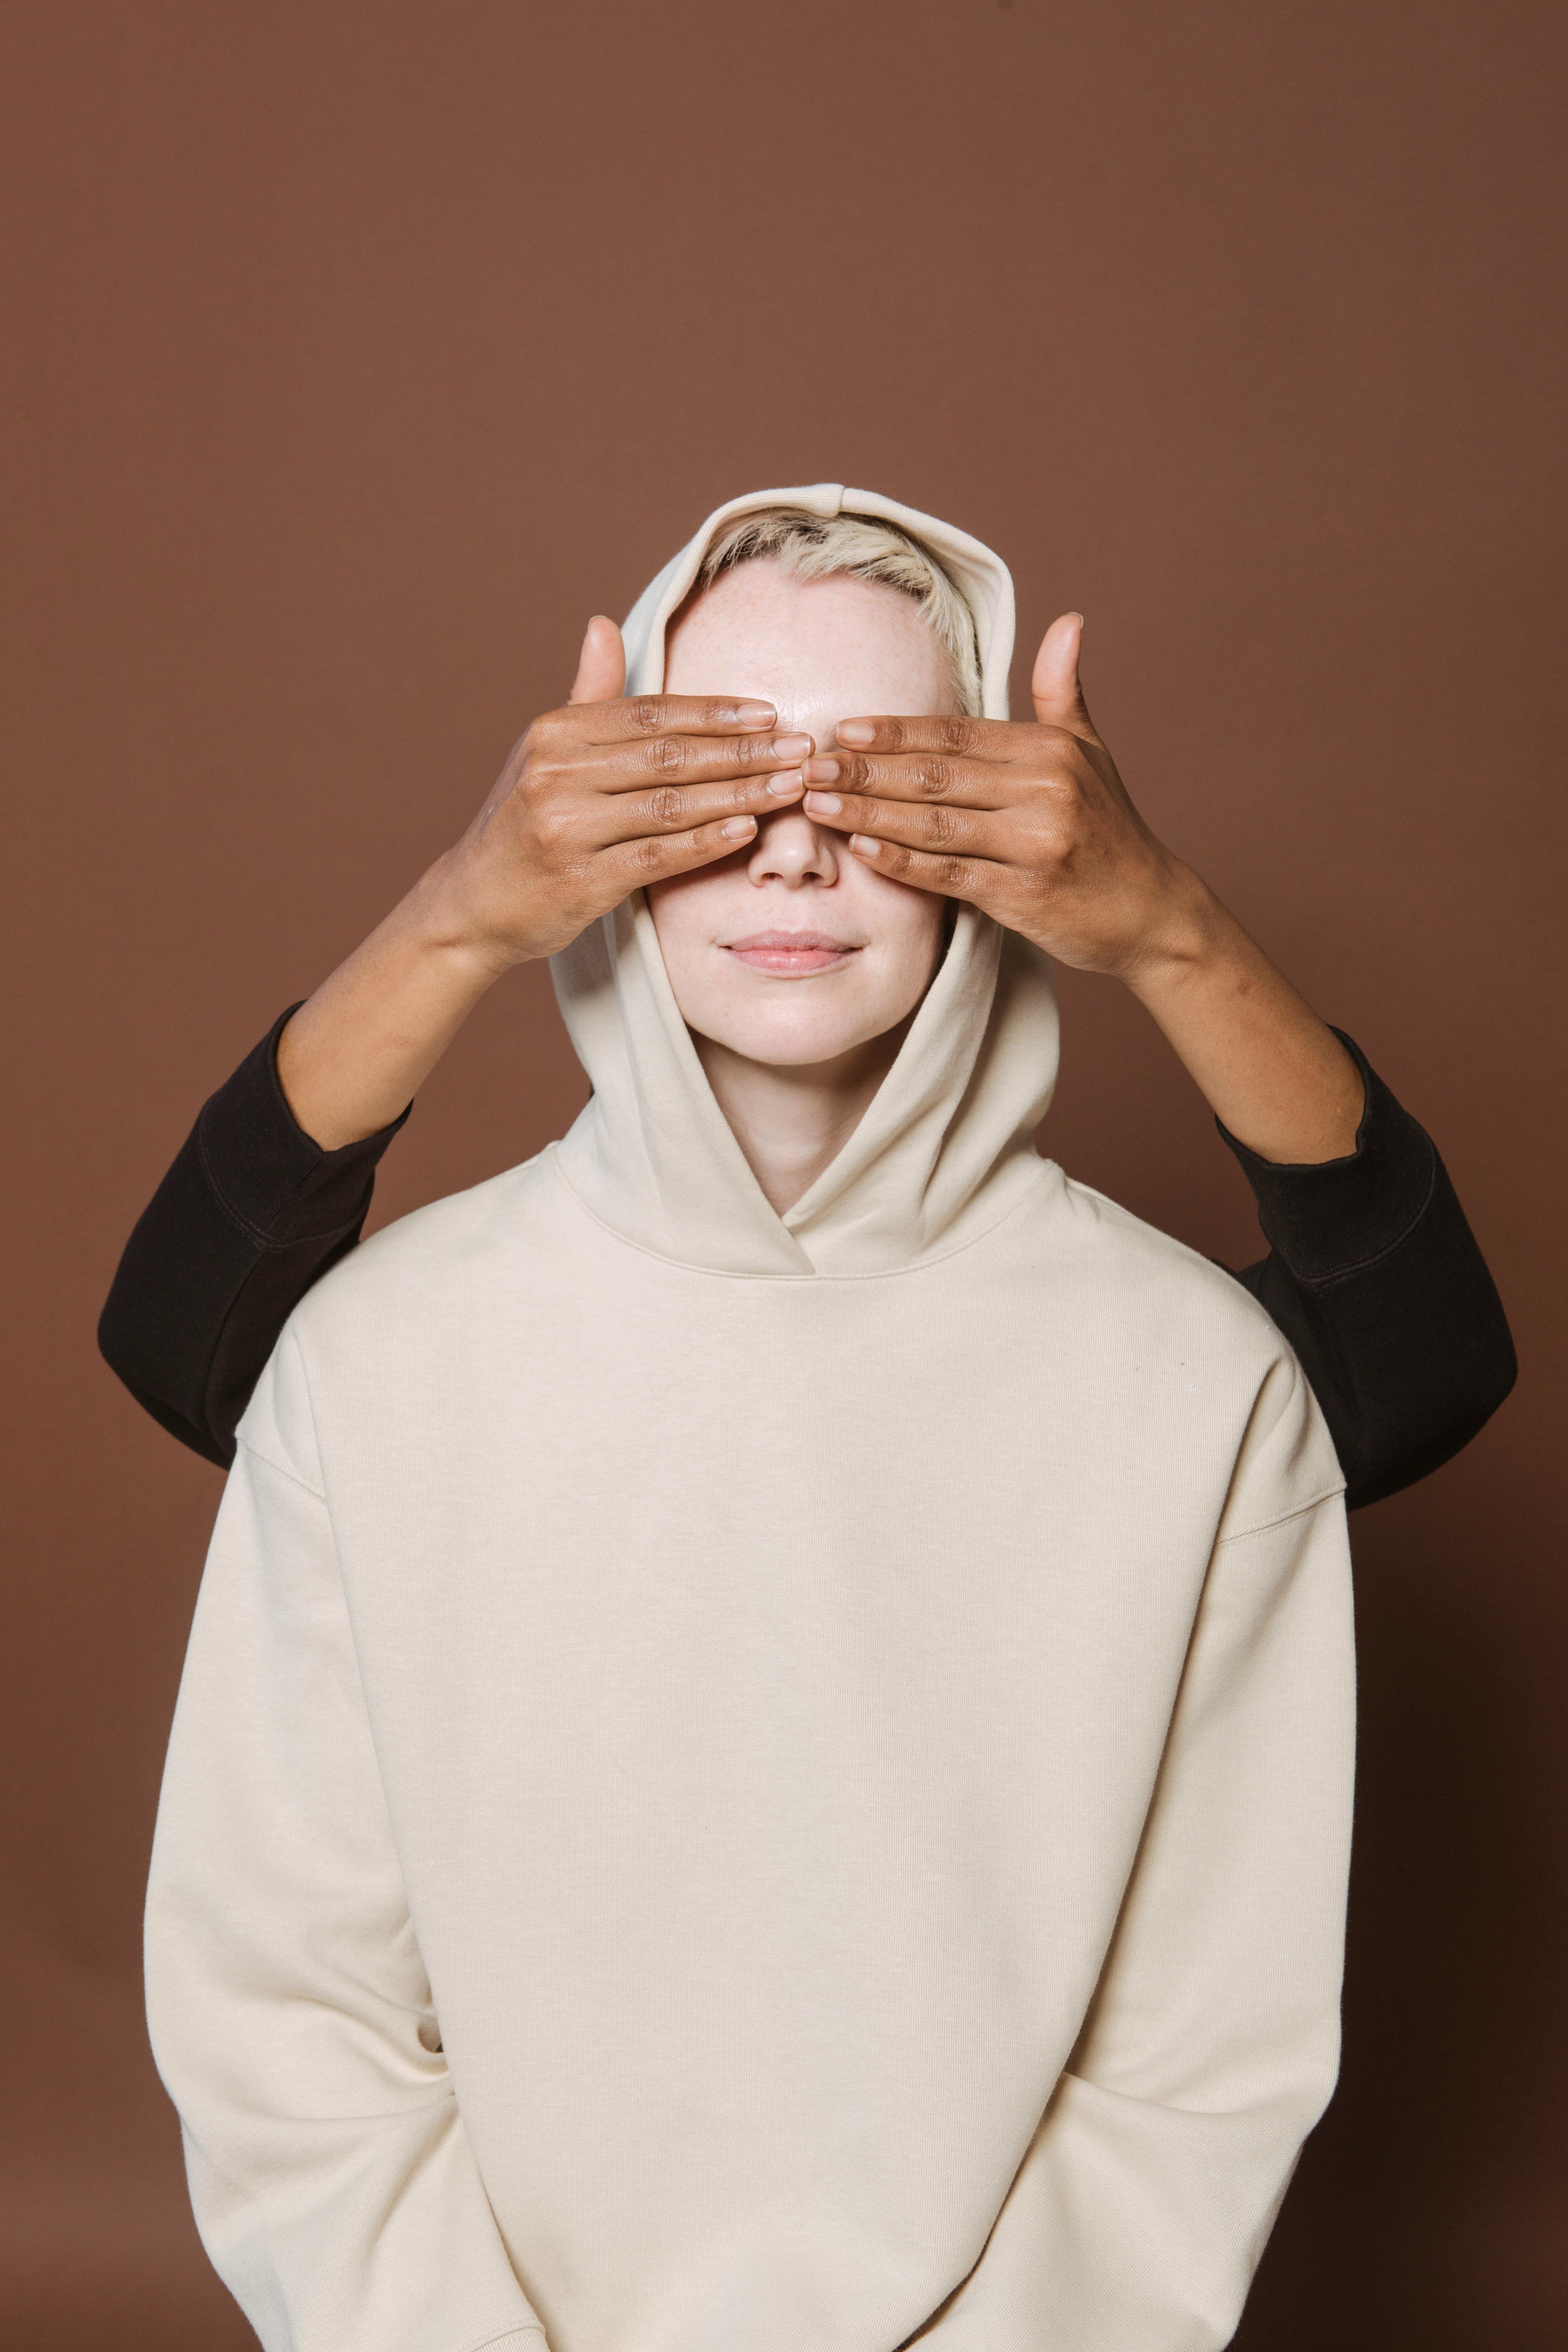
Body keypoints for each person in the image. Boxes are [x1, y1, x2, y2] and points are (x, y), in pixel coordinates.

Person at [140, 486, 1431, 2352]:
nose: (797, 860)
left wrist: (1167, 927)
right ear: (589, 826)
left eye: (886, 791)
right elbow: (288, 2014)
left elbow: (1199, 2066)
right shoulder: (368, 1360)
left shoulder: (1205, 1387)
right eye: (707, 784)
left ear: (1005, 838)